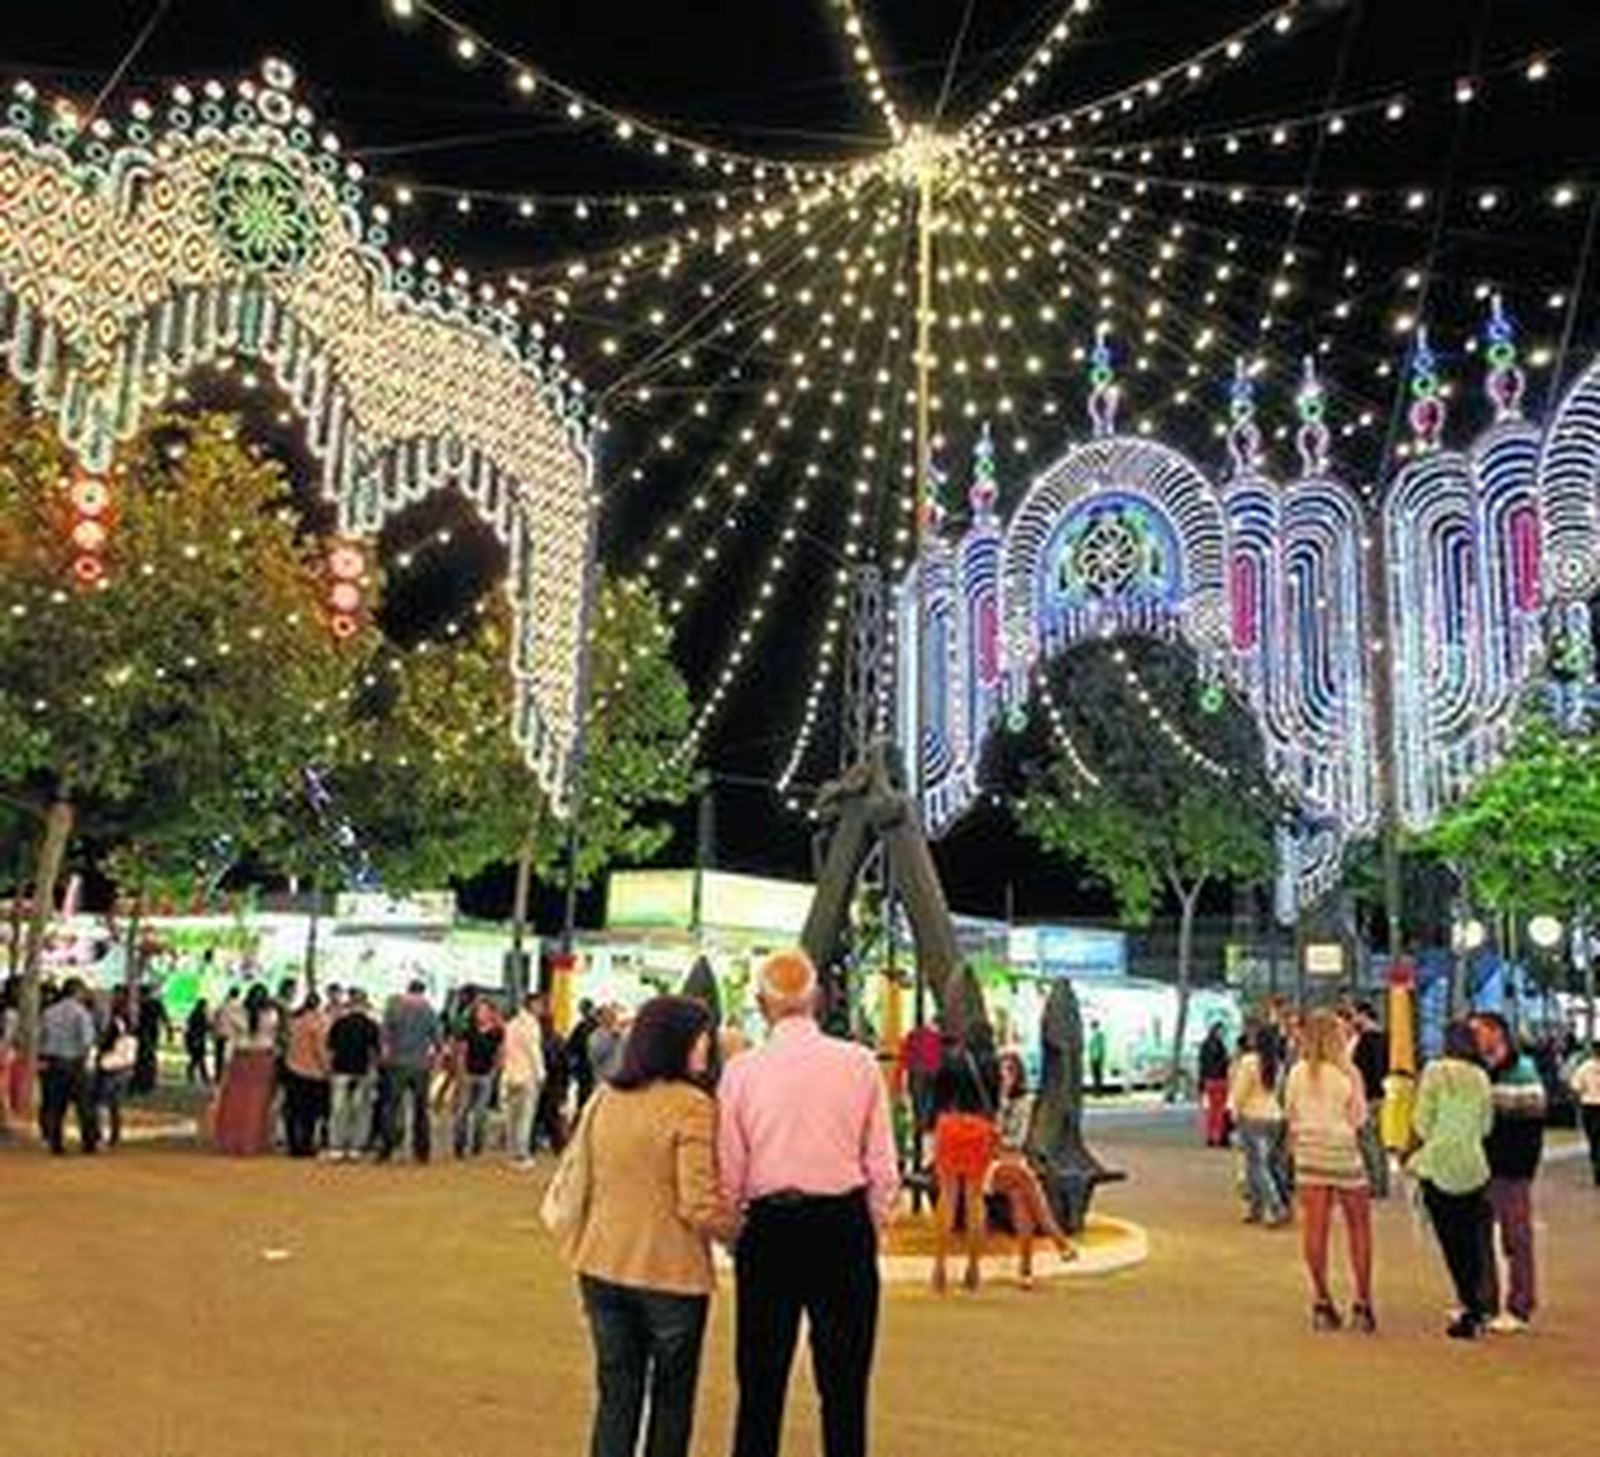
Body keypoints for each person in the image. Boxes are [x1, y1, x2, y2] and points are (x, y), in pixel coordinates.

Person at [717, 950, 899, 1457]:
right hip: (841, 1226)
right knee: (844, 1388)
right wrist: (873, 1226)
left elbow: (729, 1168)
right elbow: (883, 1161)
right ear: (817, 999)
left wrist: (736, 1233)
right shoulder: (859, 1063)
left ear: (760, 1004)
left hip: (770, 1227)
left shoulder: (741, 1072)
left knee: (759, 1386)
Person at [572, 996, 739, 1457]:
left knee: (616, 1397)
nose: (708, 1044)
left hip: (601, 1265)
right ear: (679, 1041)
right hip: (669, 1275)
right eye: (702, 1034)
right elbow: (698, 1205)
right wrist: (742, 1232)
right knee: (670, 1400)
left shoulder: (607, 1096)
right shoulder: (692, 1106)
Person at [1283, 1008, 1374, 1333]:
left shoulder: (1296, 1073)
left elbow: (1290, 1113)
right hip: (1342, 1153)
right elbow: (1359, 1118)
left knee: (1315, 1230)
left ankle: (1321, 1300)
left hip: (1309, 1154)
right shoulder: (1348, 1074)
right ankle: (1362, 1302)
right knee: (1359, 1228)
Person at [1410, 1020, 1495, 1339]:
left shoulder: (1435, 1072)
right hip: (1474, 1166)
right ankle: (1478, 1305)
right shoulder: (1481, 1076)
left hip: (1440, 1164)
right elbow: (1486, 1126)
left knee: (1451, 1243)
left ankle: (1468, 1304)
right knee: (1472, 1240)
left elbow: (1421, 1122)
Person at [1471, 1011, 1546, 1333]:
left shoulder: (1522, 1071)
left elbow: (1532, 1127)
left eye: (1479, 1031)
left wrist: (1522, 1170)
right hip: (1480, 1168)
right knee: (1479, 1236)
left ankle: (1520, 1304)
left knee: (1516, 1237)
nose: (1474, 1038)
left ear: (1497, 1033)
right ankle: (1485, 1302)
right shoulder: (1478, 1071)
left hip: (1510, 1169)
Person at [991, 1050, 1075, 1289]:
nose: (1004, 1075)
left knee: (1020, 1197)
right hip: (992, 1164)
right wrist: (1000, 1100)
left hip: (1012, 1160)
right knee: (1025, 1181)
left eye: (1010, 1070)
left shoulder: (1024, 1102)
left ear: (1019, 1075)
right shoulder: (990, 1099)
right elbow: (991, 1137)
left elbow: (1016, 1139)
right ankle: (1057, 1238)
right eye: (1001, 1070)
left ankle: (1026, 1270)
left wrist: (1004, 1108)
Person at [930, 1043, 997, 1295]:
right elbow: (995, 1102)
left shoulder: (947, 1060)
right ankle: (973, 1269)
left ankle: (939, 1269)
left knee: (947, 1196)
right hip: (979, 1127)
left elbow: (936, 1099)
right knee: (975, 1198)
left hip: (950, 1125)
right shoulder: (991, 1063)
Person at [1229, 1020, 1289, 1226]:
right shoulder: (1278, 1063)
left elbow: (1240, 1091)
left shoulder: (1249, 1062)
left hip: (1252, 1116)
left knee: (1256, 1166)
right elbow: (1279, 1092)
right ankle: (1256, 1209)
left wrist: (1233, 1111)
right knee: (1266, 1164)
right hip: (1274, 1117)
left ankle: (1275, 1206)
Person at [378, 979, 441, 1163]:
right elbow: (438, 1041)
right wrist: (434, 1062)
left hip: (397, 1064)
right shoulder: (429, 1011)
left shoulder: (394, 1008)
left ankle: (387, 1147)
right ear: (423, 992)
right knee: (421, 1109)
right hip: (421, 1066)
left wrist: (386, 1055)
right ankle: (422, 1150)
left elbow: (384, 1036)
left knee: (392, 1107)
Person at [213, 983, 279, 1157]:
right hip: (263, 1058)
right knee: (258, 1102)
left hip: (241, 1058)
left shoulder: (236, 1014)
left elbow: (226, 1034)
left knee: (236, 1101)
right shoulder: (271, 1015)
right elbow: (274, 1036)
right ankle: (254, 1141)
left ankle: (232, 1140)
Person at [37, 977, 99, 1155]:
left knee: (55, 1106)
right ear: (77, 991)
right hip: (75, 1063)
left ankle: (56, 1143)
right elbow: (87, 1041)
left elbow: (42, 1038)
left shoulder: (49, 1012)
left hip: (53, 1063)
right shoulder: (81, 1013)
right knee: (84, 1105)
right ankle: (89, 1143)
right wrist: (86, 1062)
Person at [326, 988, 382, 1160]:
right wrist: (374, 1071)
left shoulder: (339, 1023)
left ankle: (336, 1146)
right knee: (361, 1111)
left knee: (338, 1110)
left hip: (340, 1070)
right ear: (365, 1004)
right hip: (362, 1071)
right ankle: (356, 1147)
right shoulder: (372, 1025)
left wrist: (329, 1069)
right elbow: (375, 1052)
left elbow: (330, 1049)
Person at [453, 994, 504, 1159]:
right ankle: (459, 1145)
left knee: (481, 1114)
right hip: (468, 1074)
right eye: (479, 1010)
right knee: (462, 1111)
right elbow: (461, 1052)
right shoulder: (468, 1030)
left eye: (485, 1010)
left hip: (486, 1076)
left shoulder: (497, 1032)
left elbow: (499, 1054)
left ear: (491, 1013)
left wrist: (494, 1072)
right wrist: (460, 1073)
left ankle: (477, 1146)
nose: (482, 1014)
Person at [282, 992, 332, 1159]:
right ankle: (306, 1144)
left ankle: (292, 1145)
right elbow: (320, 1050)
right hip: (312, 1073)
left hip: (293, 1069)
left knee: (292, 1110)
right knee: (309, 1113)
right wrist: (327, 1070)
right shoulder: (319, 1023)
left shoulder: (295, 1022)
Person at [1349, 1001, 1390, 1198]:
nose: (1353, 1019)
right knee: (1379, 1141)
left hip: (1367, 1096)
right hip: (1380, 1095)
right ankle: (1382, 1183)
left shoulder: (1366, 1040)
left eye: (1355, 1015)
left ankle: (1374, 1184)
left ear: (1363, 1015)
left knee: (1368, 1141)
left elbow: (1362, 1070)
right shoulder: (1385, 1037)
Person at [501, 992, 547, 1166]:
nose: (542, 1008)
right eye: (540, 1005)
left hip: (511, 1075)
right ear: (532, 1005)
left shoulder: (511, 1024)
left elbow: (506, 1051)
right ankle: (521, 1155)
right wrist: (541, 1074)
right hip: (527, 1076)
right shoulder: (532, 1024)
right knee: (525, 1117)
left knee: (512, 1117)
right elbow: (534, 1051)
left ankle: (512, 1152)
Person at [94, 990, 138, 1149]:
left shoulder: (115, 1024)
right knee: (115, 1104)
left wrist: (100, 1045)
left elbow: (106, 1043)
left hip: (111, 1066)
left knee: (101, 1102)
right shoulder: (131, 1024)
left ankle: (102, 1134)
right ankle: (115, 1134)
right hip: (125, 1066)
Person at [897, 1021, 942, 1136]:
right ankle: (926, 1123)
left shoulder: (912, 1035)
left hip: (917, 1070)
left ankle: (920, 1124)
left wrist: (903, 1069)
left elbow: (905, 1055)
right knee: (928, 1098)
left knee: (918, 1099)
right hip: (932, 1071)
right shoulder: (936, 1037)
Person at [1570, 1041, 1600, 1187]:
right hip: (1591, 1107)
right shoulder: (1585, 1067)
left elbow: (1575, 1087)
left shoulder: (1584, 1067)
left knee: (1594, 1140)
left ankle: (1597, 1169)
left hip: (1589, 1107)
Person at [1198, 1022, 1231, 1147]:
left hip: (1208, 1081)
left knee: (1211, 1111)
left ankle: (1211, 1137)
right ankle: (1219, 1137)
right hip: (1219, 1081)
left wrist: (1201, 1082)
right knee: (1219, 1111)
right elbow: (1223, 1063)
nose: (1223, 1034)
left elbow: (1201, 1065)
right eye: (1222, 1031)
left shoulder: (1204, 1045)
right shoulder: (1220, 1046)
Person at [566, 999, 601, 1109]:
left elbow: (571, 1046)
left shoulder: (584, 1026)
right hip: (587, 1068)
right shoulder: (589, 1026)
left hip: (587, 1067)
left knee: (585, 1096)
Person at [588, 1005, 625, 1088]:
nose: (611, 1016)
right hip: (603, 1083)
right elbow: (595, 1057)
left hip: (621, 1081)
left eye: (612, 1014)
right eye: (607, 1015)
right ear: (600, 1019)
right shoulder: (595, 1036)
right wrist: (610, 1038)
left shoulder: (621, 1033)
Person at [211, 988, 239, 1085]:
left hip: (219, 1033)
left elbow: (213, 1017)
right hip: (231, 1034)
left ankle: (218, 1076)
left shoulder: (222, 1004)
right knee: (229, 1057)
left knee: (219, 1056)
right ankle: (228, 1077)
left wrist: (214, 1028)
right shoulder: (238, 1005)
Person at [183, 999, 212, 1086]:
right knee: (199, 1058)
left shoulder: (194, 1014)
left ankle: (194, 1074)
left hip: (194, 1038)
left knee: (197, 1058)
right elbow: (204, 1027)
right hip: (197, 1039)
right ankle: (203, 1077)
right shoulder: (200, 1015)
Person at [1088, 1018, 1108, 1096]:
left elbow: (1100, 1047)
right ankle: (1096, 1091)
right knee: (1096, 1075)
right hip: (1095, 1057)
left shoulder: (1098, 1035)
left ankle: (1098, 1092)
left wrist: (1099, 1056)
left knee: (1097, 1075)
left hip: (1096, 1058)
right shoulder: (1095, 1035)